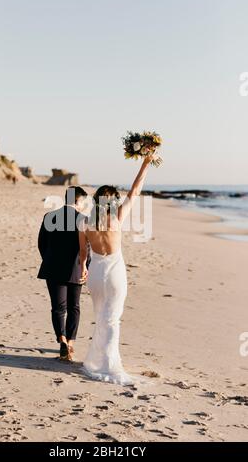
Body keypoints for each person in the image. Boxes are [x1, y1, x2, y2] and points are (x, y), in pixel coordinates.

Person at [79, 155, 154, 384]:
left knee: (101, 318)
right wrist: (146, 164)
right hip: (113, 274)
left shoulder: (83, 222)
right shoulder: (117, 218)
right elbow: (135, 191)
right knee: (112, 319)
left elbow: (83, 253)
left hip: (95, 275)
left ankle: (98, 360)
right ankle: (110, 365)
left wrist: (83, 267)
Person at [38, 186, 89, 361]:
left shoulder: (49, 216)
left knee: (58, 308)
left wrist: (49, 260)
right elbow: (86, 249)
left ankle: (62, 340)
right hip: (75, 269)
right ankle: (71, 342)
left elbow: (42, 244)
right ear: (79, 201)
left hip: (52, 267)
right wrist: (85, 266)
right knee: (74, 307)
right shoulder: (83, 219)